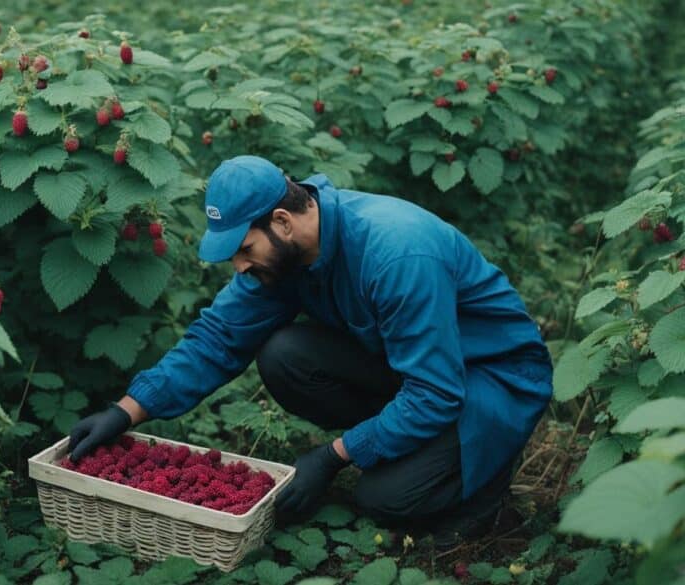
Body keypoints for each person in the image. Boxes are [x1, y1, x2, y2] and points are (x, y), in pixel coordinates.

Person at [67, 155, 554, 546]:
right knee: (285, 355)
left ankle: (483, 484)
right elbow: (217, 337)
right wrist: (126, 412)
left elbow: (437, 392)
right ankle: (411, 447)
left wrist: (333, 456)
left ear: (281, 221)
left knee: (385, 499)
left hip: (488, 378)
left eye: (244, 249)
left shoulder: (397, 253)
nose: (239, 266)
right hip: (412, 367)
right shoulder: (285, 257)